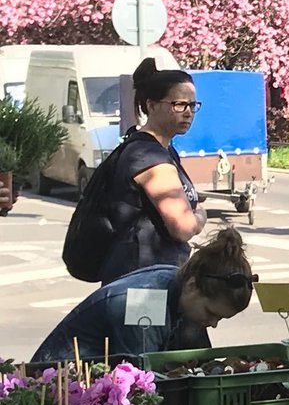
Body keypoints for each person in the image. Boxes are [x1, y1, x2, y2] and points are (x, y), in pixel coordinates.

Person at [32, 228, 255, 361]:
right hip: (58, 384)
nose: (213, 324)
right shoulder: (146, 299)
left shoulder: (177, 283)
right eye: (211, 313)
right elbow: (142, 380)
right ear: (192, 286)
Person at [100, 58, 206, 285]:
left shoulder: (160, 151)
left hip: (148, 276)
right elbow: (182, 227)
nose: (188, 113)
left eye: (192, 105)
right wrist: (200, 217)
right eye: (179, 104)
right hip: (142, 282)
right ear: (151, 105)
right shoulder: (149, 157)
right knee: (149, 323)